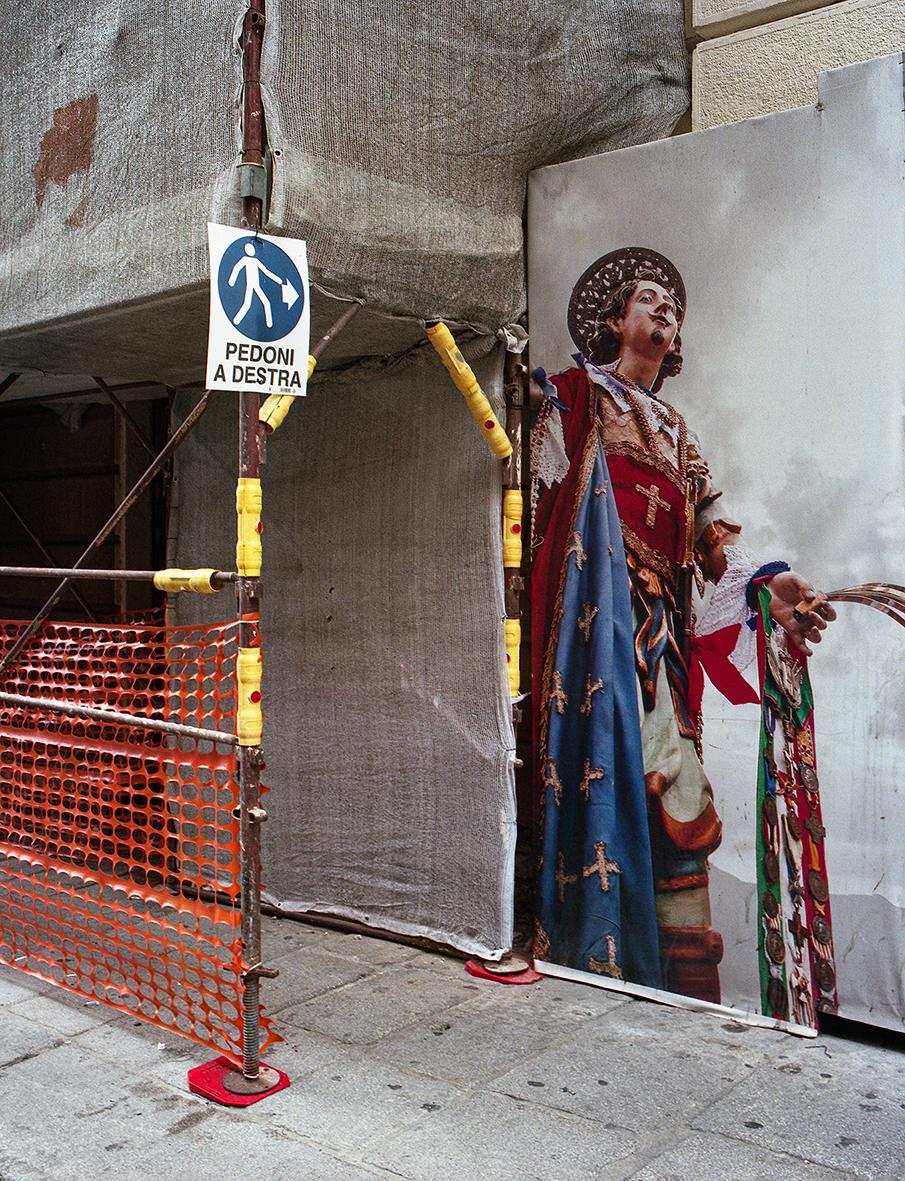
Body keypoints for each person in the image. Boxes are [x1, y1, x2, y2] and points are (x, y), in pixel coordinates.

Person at [530, 247, 834, 1002]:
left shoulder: (678, 431)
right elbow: (536, 493)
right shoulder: (575, 394)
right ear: (614, 321)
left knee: (681, 793)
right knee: (613, 772)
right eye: (648, 298)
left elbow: (711, 539)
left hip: (661, 634)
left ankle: (685, 986)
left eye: (672, 303)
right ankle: (596, 955)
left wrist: (771, 584)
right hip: (598, 626)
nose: (664, 307)